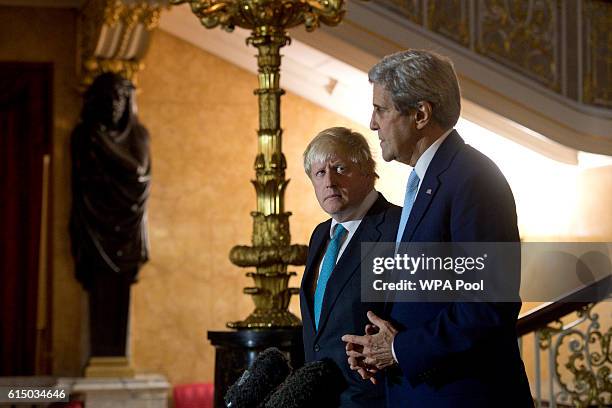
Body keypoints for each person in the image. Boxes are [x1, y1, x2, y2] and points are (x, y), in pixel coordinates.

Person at [341, 50, 533, 407]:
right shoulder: (426, 180)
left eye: (381, 109)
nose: (371, 123)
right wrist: (376, 347)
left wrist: (397, 349)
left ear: (420, 114)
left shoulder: (473, 179)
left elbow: (489, 306)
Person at [300, 127, 400, 407]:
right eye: (319, 173)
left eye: (340, 168)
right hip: (321, 397)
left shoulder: (397, 227)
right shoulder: (320, 234)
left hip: (373, 398)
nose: (329, 181)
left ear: (368, 170)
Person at [70, 72, 151, 357]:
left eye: (120, 97)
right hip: (94, 225)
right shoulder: (83, 136)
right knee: (99, 290)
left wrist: (101, 141)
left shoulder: (136, 135)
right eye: (109, 97)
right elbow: (83, 181)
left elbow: (136, 170)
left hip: (127, 227)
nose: (115, 104)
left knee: (120, 290)